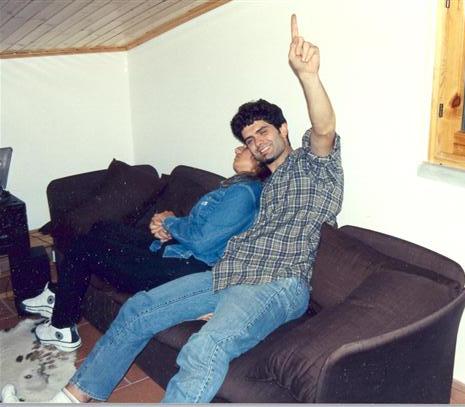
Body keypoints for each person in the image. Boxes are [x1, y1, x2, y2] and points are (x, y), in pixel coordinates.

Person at [1, 13, 342, 404]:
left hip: (278, 284)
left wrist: (308, 76)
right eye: (249, 139)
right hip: (227, 276)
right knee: (137, 310)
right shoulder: (262, 186)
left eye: (263, 131)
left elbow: (324, 130)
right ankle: (68, 399)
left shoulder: (311, 170)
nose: (256, 142)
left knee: (205, 348)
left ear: (283, 129)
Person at [18, 146, 268, 352]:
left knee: (86, 248)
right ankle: (59, 294)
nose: (238, 149)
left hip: (182, 270)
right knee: (104, 228)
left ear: (258, 163)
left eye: (246, 148)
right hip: (176, 251)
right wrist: (169, 227)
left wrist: (170, 223)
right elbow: (205, 229)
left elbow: (203, 241)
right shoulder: (236, 188)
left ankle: (61, 327)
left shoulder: (243, 193)